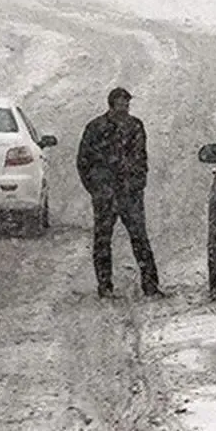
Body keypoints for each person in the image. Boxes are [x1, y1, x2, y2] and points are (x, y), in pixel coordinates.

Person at [76, 87, 162, 299]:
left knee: (139, 237)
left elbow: (141, 158)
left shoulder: (135, 126)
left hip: (129, 193)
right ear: (112, 104)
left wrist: (137, 184)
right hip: (105, 193)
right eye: (121, 103)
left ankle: (150, 285)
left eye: (127, 103)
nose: (125, 107)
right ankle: (105, 286)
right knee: (103, 240)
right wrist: (96, 188)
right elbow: (83, 160)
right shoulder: (96, 128)